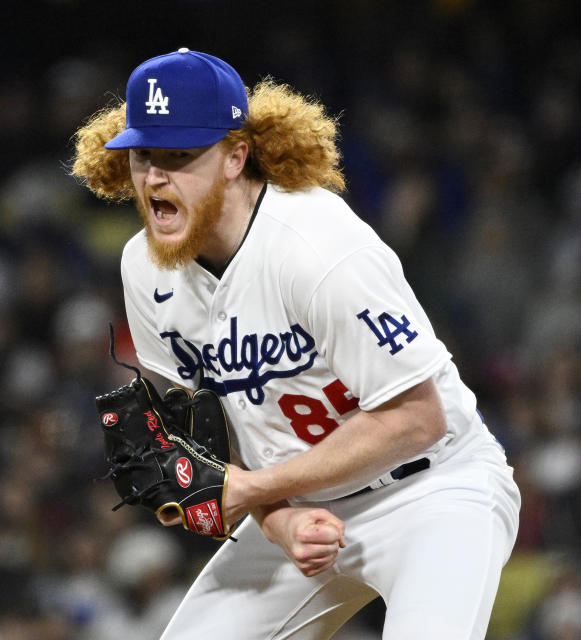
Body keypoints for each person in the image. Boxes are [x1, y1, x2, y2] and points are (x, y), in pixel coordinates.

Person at [71, 48, 522, 639]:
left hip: (432, 490)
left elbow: (417, 418)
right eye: (143, 155)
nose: (155, 176)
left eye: (179, 155)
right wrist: (278, 520)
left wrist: (258, 490)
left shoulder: (316, 248)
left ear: (235, 157)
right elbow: (215, 431)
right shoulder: (145, 270)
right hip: (298, 505)